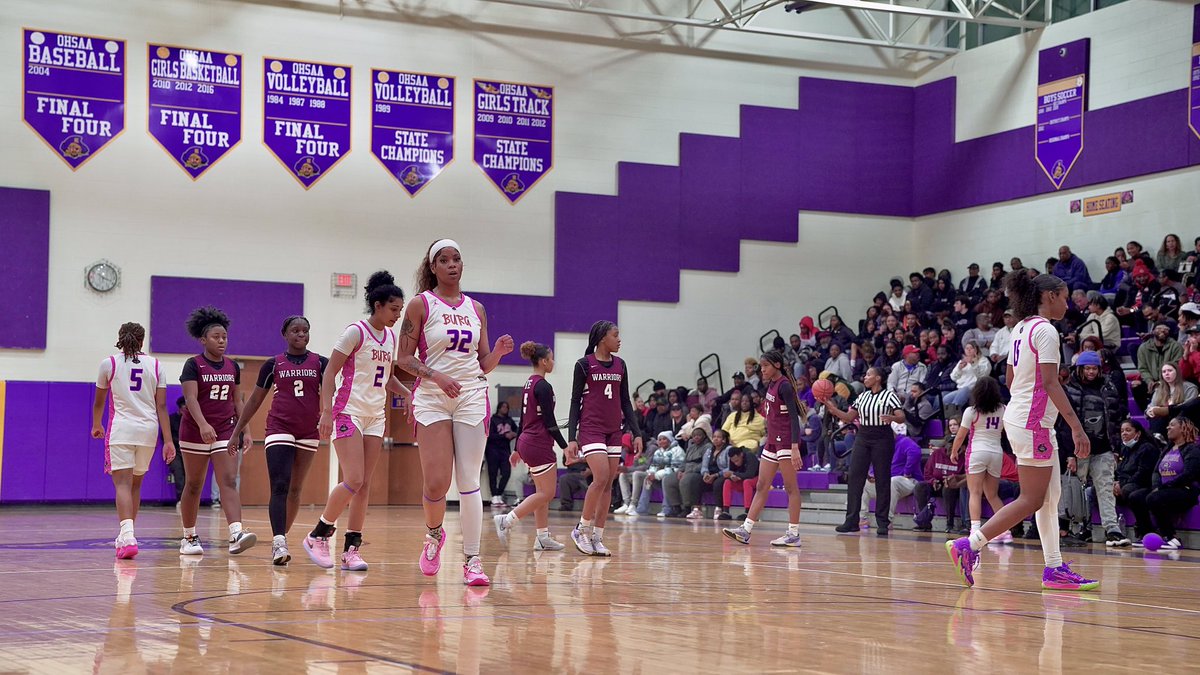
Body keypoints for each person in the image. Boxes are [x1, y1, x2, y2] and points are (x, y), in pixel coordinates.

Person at [946, 272, 1099, 591]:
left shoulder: (1019, 327)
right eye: (1065, 297)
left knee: (1050, 496)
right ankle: (970, 545)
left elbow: (1014, 381)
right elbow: (1049, 382)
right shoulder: (1045, 330)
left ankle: (1054, 568)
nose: (1068, 303)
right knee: (1032, 498)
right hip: (1032, 423)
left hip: (1026, 417)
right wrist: (1076, 427)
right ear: (1050, 297)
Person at [396, 242, 512, 585]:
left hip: (471, 395)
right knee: (435, 483)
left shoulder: (477, 308)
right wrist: (436, 376)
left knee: (469, 480)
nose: (451, 265)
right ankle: (434, 534)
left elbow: (483, 364)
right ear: (433, 267)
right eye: (443, 260)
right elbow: (403, 359)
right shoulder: (420, 305)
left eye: (456, 259)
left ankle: (473, 560)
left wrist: (500, 354)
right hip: (432, 396)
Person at [303, 273, 405, 572]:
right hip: (348, 412)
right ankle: (317, 535)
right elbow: (329, 373)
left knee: (364, 486)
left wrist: (409, 393)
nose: (398, 315)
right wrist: (325, 411)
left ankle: (351, 550)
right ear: (378, 305)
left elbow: (386, 377)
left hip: (376, 416)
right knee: (355, 478)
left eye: (400, 310)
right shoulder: (355, 332)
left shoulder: (391, 338)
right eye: (394, 309)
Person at [231, 316, 327, 566]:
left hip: (308, 430)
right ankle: (279, 542)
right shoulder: (273, 364)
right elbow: (254, 400)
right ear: (284, 334)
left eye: (305, 330)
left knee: (296, 489)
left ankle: (282, 536)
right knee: (280, 485)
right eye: (295, 331)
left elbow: (336, 393)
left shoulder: (321, 363)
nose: (301, 335)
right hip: (279, 427)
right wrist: (236, 432)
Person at [176, 306, 257, 557]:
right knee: (194, 484)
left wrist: (246, 430)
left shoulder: (233, 367)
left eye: (224, 337)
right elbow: (190, 398)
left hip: (225, 430)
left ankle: (236, 533)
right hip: (194, 431)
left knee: (229, 480)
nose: (221, 341)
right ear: (203, 340)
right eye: (216, 337)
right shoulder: (193, 365)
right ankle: (189, 537)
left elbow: (238, 401)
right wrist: (202, 424)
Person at [91, 322, 175, 559]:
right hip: (148, 431)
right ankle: (127, 535)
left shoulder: (109, 363)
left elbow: (99, 402)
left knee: (122, 485)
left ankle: (127, 536)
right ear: (142, 340)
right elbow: (161, 406)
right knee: (136, 484)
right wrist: (168, 440)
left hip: (121, 430)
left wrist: (97, 424)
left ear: (120, 338)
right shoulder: (156, 364)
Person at [566, 320, 644, 556]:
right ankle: (581, 529)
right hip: (591, 429)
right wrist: (572, 438)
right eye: (615, 335)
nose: (619, 340)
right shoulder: (583, 365)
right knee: (599, 478)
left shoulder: (621, 365)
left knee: (608, 483)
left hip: (614, 431)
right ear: (602, 339)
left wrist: (636, 432)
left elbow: (625, 402)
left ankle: (597, 537)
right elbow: (574, 401)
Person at [721, 351, 806, 546]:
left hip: (785, 441)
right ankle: (746, 530)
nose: (762, 370)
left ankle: (793, 533)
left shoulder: (784, 386)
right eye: (761, 366)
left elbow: (794, 418)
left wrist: (794, 447)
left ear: (777, 365)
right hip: (772, 442)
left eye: (765, 366)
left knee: (791, 488)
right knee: (761, 485)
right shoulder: (771, 384)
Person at [494, 342, 569, 552]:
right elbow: (549, 421)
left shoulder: (529, 383)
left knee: (541, 491)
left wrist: (518, 447)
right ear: (544, 361)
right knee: (546, 493)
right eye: (551, 358)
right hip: (538, 442)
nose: (553, 362)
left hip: (528, 440)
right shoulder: (543, 386)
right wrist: (565, 446)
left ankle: (542, 537)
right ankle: (506, 520)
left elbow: (525, 419)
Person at [825, 367, 904, 535]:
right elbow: (848, 418)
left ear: (878, 378)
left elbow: (901, 416)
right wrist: (832, 408)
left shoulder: (889, 395)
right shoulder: (862, 396)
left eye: (869, 374)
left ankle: (882, 521)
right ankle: (852, 521)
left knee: (882, 478)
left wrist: (893, 418)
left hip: (882, 436)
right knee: (854, 477)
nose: (865, 377)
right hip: (863, 436)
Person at [1061, 351, 1126, 545]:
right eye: (1087, 368)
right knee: (1072, 490)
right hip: (1078, 449)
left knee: (1105, 488)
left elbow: (1116, 419)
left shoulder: (1109, 387)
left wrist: (1116, 449)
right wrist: (1069, 454)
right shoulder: (1068, 389)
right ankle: (1074, 528)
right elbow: (1064, 424)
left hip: (1104, 447)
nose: (1091, 372)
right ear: (1079, 369)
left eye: (1094, 368)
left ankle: (1112, 529)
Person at [948, 377, 1010, 543]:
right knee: (992, 495)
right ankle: (1005, 530)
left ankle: (975, 530)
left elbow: (961, 435)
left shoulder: (971, 411)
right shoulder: (1004, 409)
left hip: (977, 452)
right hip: (996, 453)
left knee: (974, 492)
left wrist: (954, 451)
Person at [1125, 416, 1200, 550]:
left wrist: (1165, 487)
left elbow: (1189, 474)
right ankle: (1148, 534)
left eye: (1172, 425)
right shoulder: (1168, 449)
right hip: (1164, 489)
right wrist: (1156, 486)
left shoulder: (1192, 449)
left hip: (1185, 490)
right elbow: (1156, 472)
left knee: (1155, 498)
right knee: (1136, 496)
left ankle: (1171, 537)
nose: (1167, 427)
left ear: (1183, 428)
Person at [1111, 419, 1160, 546]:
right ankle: (1109, 532)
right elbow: (1120, 471)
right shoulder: (1125, 449)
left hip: (1144, 484)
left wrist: (1121, 485)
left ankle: (1145, 530)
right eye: (1122, 431)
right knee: (1095, 491)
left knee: (1131, 492)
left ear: (1138, 433)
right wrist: (1115, 483)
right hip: (1126, 484)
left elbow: (1143, 474)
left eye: (1128, 430)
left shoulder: (1147, 448)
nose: (1124, 434)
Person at [860, 432, 923, 528]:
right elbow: (875, 463)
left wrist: (907, 471)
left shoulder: (904, 441)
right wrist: (873, 475)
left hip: (909, 480)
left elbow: (916, 452)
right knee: (863, 483)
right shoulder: (881, 444)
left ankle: (887, 520)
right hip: (886, 481)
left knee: (892, 481)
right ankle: (863, 518)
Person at [665, 421, 714, 520]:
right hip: (687, 470)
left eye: (699, 435)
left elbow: (705, 464)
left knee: (686, 480)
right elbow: (685, 461)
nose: (696, 437)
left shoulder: (708, 447)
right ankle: (676, 507)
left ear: (704, 436)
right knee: (669, 480)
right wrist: (680, 470)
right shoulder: (690, 447)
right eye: (694, 435)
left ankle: (687, 507)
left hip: (697, 472)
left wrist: (688, 471)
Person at [915, 442, 965, 533]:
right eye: (949, 443)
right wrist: (933, 481)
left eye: (954, 443)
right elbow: (927, 473)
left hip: (954, 487)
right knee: (920, 487)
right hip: (936, 484)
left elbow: (965, 476)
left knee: (948, 489)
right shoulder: (937, 454)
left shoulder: (963, 457)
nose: (951, 446)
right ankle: (924, 522)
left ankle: (950, 524)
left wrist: (954, 481)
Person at [1134, 323, 1184, 410]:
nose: (1163, 331)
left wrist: (1161, 382)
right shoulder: (1143, 348)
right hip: (1151, 381)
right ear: (1153, 331)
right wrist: (1149, 380)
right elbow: (1143, 368)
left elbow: (1175, 367)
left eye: (1166, 329)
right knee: (1136, 386)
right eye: (1159, 328)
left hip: (1170, 381)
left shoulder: (1176, 346)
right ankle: (1147, 413)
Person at [486, 401, 518, 507]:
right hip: (492, 449)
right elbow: (489, 436)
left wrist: (513, 434)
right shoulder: (493, 420)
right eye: (503, 407)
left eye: (507, 407)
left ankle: (499, 494)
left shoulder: (509, 420)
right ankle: (494, 496)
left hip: (505, 450)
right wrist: (504, 436)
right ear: (499, 408)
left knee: (506, 472)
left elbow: (517, 430)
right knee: (493, 473)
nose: (505, 409)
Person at [646, 431, 684, 516]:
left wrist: (656, 475)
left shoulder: (677, 450)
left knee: (666, 479)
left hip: (674, 477)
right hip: (659, 476)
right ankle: (641, 508)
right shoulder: (658, 452)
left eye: (664, 439)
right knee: (645, 477)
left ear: (670, 440)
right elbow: (654, 465)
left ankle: (666, 509)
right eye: (659, 439)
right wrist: (651, 473)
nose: (661, 441)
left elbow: (676, 468)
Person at [945, 342, 990, 410]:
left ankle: (953, 414)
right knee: (945, 399)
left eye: (971, 348)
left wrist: (973, 363)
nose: (969, 350)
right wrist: (959, 369)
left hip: (974, 389)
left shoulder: (983, 361)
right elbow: (953, 377)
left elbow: (982, 376)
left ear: (976, 350)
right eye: (967, 348)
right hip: (960, 389)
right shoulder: (962, 361)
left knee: (964, 390)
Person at [719, 446, 759, 520]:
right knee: (727, 482)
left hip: (757, 479)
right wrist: (732, 476)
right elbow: (733, 472)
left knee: (747, 482)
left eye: (737, 461)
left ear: (741, 455)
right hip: (742, 479)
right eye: (734, 462)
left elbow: (750, 474)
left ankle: (747, 511)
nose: (736, 464)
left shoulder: (750, 456)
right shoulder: (732, 460)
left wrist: (735, 474)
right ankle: (726, 511)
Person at [702, 429, 732, 519]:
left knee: (718, 483)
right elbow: (704, 465)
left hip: (724, 474)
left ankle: (719, 508)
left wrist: (716, 475)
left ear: (724, 440)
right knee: (696, 480)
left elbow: (730, 467)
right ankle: (696, 508)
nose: (715, 439)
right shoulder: (709, 450)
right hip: (710, 474)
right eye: (714, 437)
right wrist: (705, 473)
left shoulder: (728, 450)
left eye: (718, 437)